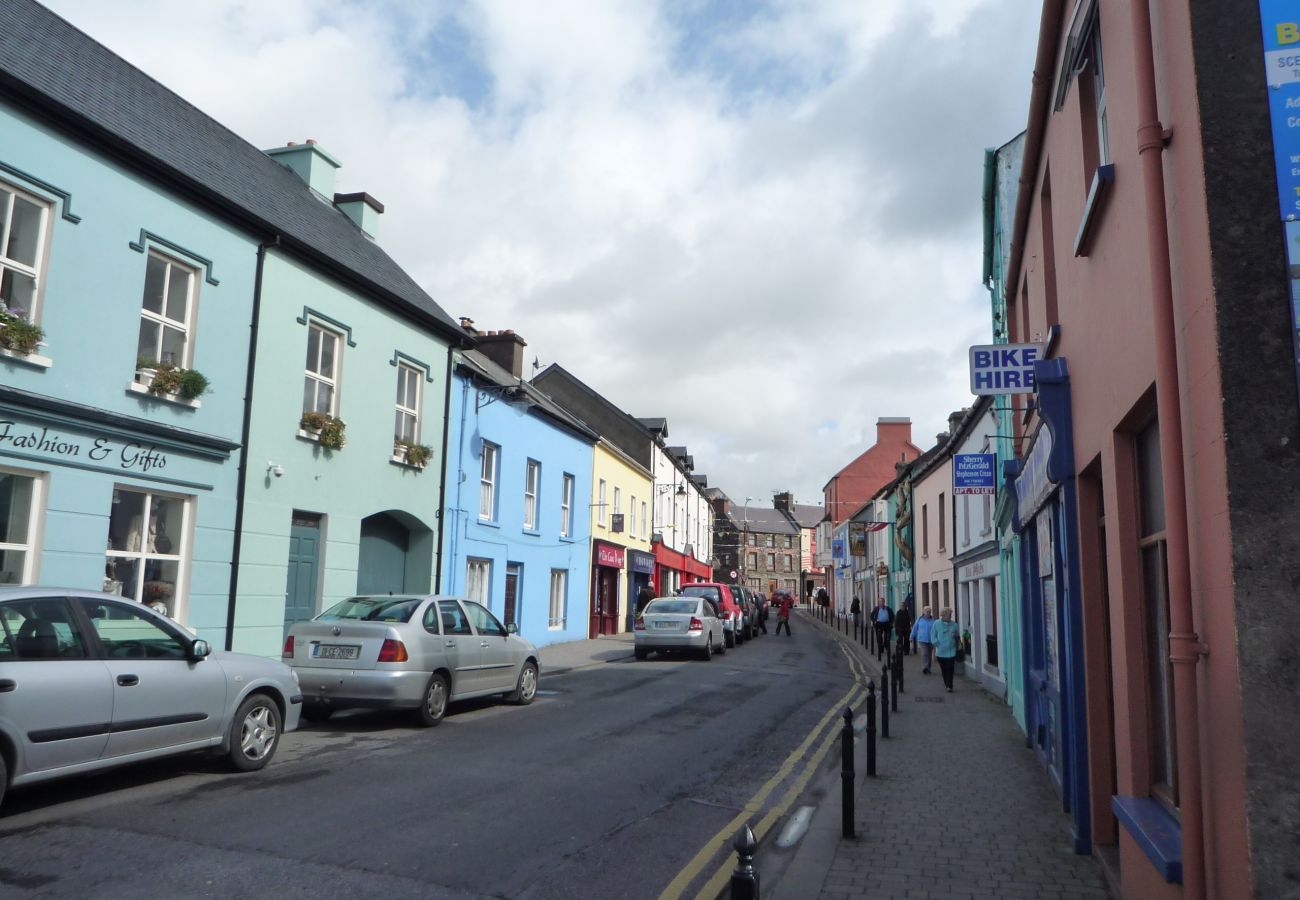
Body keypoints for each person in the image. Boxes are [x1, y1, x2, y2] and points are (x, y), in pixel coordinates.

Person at [931, 607, 961, 692]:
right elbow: (933, 635)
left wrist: (956, 636)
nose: (950, 617)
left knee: (950, 669)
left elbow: (958, 636)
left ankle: (949, 685)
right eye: (949, 615)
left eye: (951, 615)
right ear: (943, 615)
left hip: (951, 651)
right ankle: (946, 683)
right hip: (941, 652)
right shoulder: (936, 623)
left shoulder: (954, 625)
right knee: (944, 669)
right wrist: (937, 644)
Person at [911, 605, 935, 673]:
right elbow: (915, 628)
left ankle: (929, 668)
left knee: (929, 654)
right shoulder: (919, 619)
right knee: (925, 653)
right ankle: (925, 667)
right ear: (923, 612)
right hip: (922, 640)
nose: (928, 612)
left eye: (929, 611)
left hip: (931, 640)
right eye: (927, 611)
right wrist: (911, 637)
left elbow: (936, 630)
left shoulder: (933, 620)